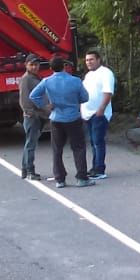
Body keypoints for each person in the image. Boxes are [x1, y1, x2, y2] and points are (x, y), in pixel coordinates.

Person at [29, 56, 92, 188]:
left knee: (57, 150)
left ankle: (60, 180)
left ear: (51, 68)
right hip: (73, 118)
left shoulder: (47, 81)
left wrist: (45, 105)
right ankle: (82, 178)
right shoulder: (75, 81)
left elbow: (33, 95)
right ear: (64, 66)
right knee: (78, 148)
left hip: (56, 118)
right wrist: (74, 101)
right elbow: (85, 97)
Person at [81, 50, 115, 180]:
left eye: (91, 59)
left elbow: (108, 92)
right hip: (87, 114)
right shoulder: (88, 75)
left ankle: (100, 169)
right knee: (93, 142)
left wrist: (101, 109)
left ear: (98, 60)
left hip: (99, 114)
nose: (89, 62)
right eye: (87, 60)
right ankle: (95, 167)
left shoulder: (106, 73)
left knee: (98, 141)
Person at [18, 54, 48, 180]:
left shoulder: (35, 77)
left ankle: (26, 170)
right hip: (32, 116)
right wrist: (31, 113)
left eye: (36, 64)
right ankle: (29, 171)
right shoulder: (26, 79)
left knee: (30, 143)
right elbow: (24, 99)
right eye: (32, 65)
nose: (35, 67)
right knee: (31, 144)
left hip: (38, 115)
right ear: (26, 65)